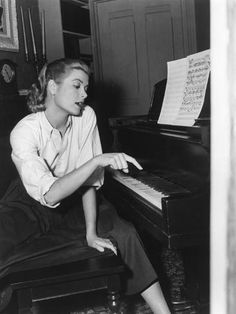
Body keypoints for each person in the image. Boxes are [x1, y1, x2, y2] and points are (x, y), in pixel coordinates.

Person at [0, 58, 170, 314]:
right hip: (28, 202)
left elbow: (89, 182)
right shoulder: (24, 131)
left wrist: (91, 232)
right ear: (53, 87)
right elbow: (50, 192)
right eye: (77, 86)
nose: (85, 94)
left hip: (77, 200)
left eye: (86, 87)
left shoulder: (85, 116)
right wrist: (97, 161)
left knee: (124, 232)